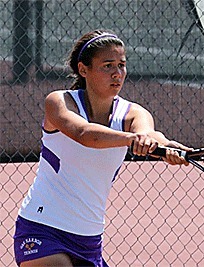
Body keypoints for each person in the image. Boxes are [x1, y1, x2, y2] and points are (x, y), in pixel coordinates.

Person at [13, 29, 190, 267]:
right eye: (107, 66)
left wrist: (164, 145)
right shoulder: (59, 102)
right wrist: (132, 139)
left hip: (89, 238)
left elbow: (148, 132)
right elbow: (85, 135)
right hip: (43, 229)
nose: (117, 73)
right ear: (83, 69)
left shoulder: (132, 112)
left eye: (121, 65)